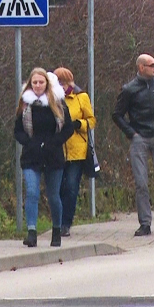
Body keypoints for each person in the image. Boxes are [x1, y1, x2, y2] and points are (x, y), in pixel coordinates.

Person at [112, 54, 154, 237]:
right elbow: (117, 114)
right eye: (151, 65)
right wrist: (131, 133)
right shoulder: (129, 89)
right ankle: (145, 222)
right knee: (141, 183)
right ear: (141, 68)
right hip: (139, 137)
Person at [14, 68, 74, 247]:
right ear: (30, 84)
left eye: (41, 82)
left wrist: (54, 143)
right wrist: (29, 142)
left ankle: (56, 230)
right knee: (32, 192)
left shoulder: (58, 103)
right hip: (31, 155)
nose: (38, 86)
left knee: (53, 195)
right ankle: (31, 232)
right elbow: (17, 130)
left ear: (47, 84)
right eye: (35, 83)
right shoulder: (25, 104)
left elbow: (68, 128)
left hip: (53, 155)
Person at [53, 67, 97, 238]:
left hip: (77, 150)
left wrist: (80, 124)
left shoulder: (81, 97)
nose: (62, 86)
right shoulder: (52, 99)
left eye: (65, 82)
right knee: (57, 188)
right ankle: (57, 221)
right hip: (57, 150)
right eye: (59, 83)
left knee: (71, 187)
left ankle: (66, 223)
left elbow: (92, 120)